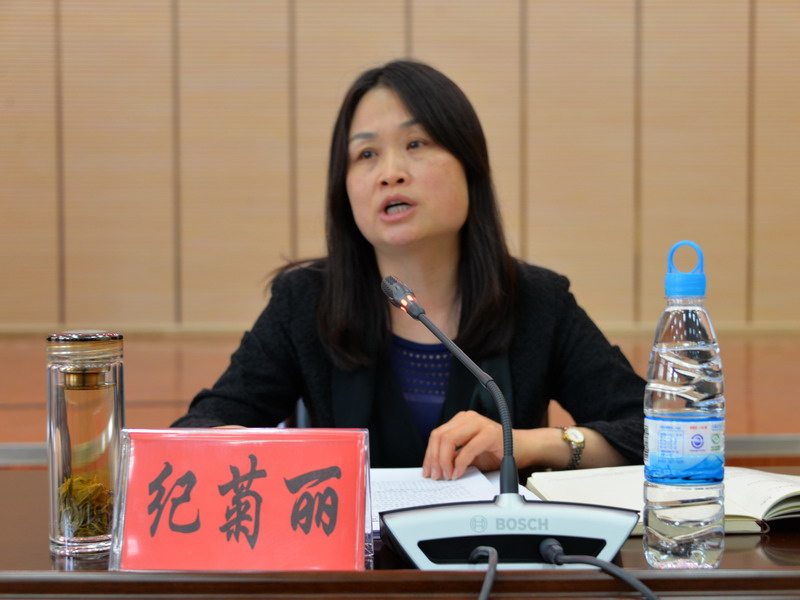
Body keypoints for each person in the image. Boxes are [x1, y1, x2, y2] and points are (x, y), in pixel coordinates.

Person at [172, 59, 645, 481]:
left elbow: (655, 433)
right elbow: (201, 428)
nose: (390, 172)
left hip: (493, 549)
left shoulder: (537, 300)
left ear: (471, 167)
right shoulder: (304, 301)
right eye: (366, 154)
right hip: (356, 554)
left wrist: (527, 445)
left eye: (416, 143)